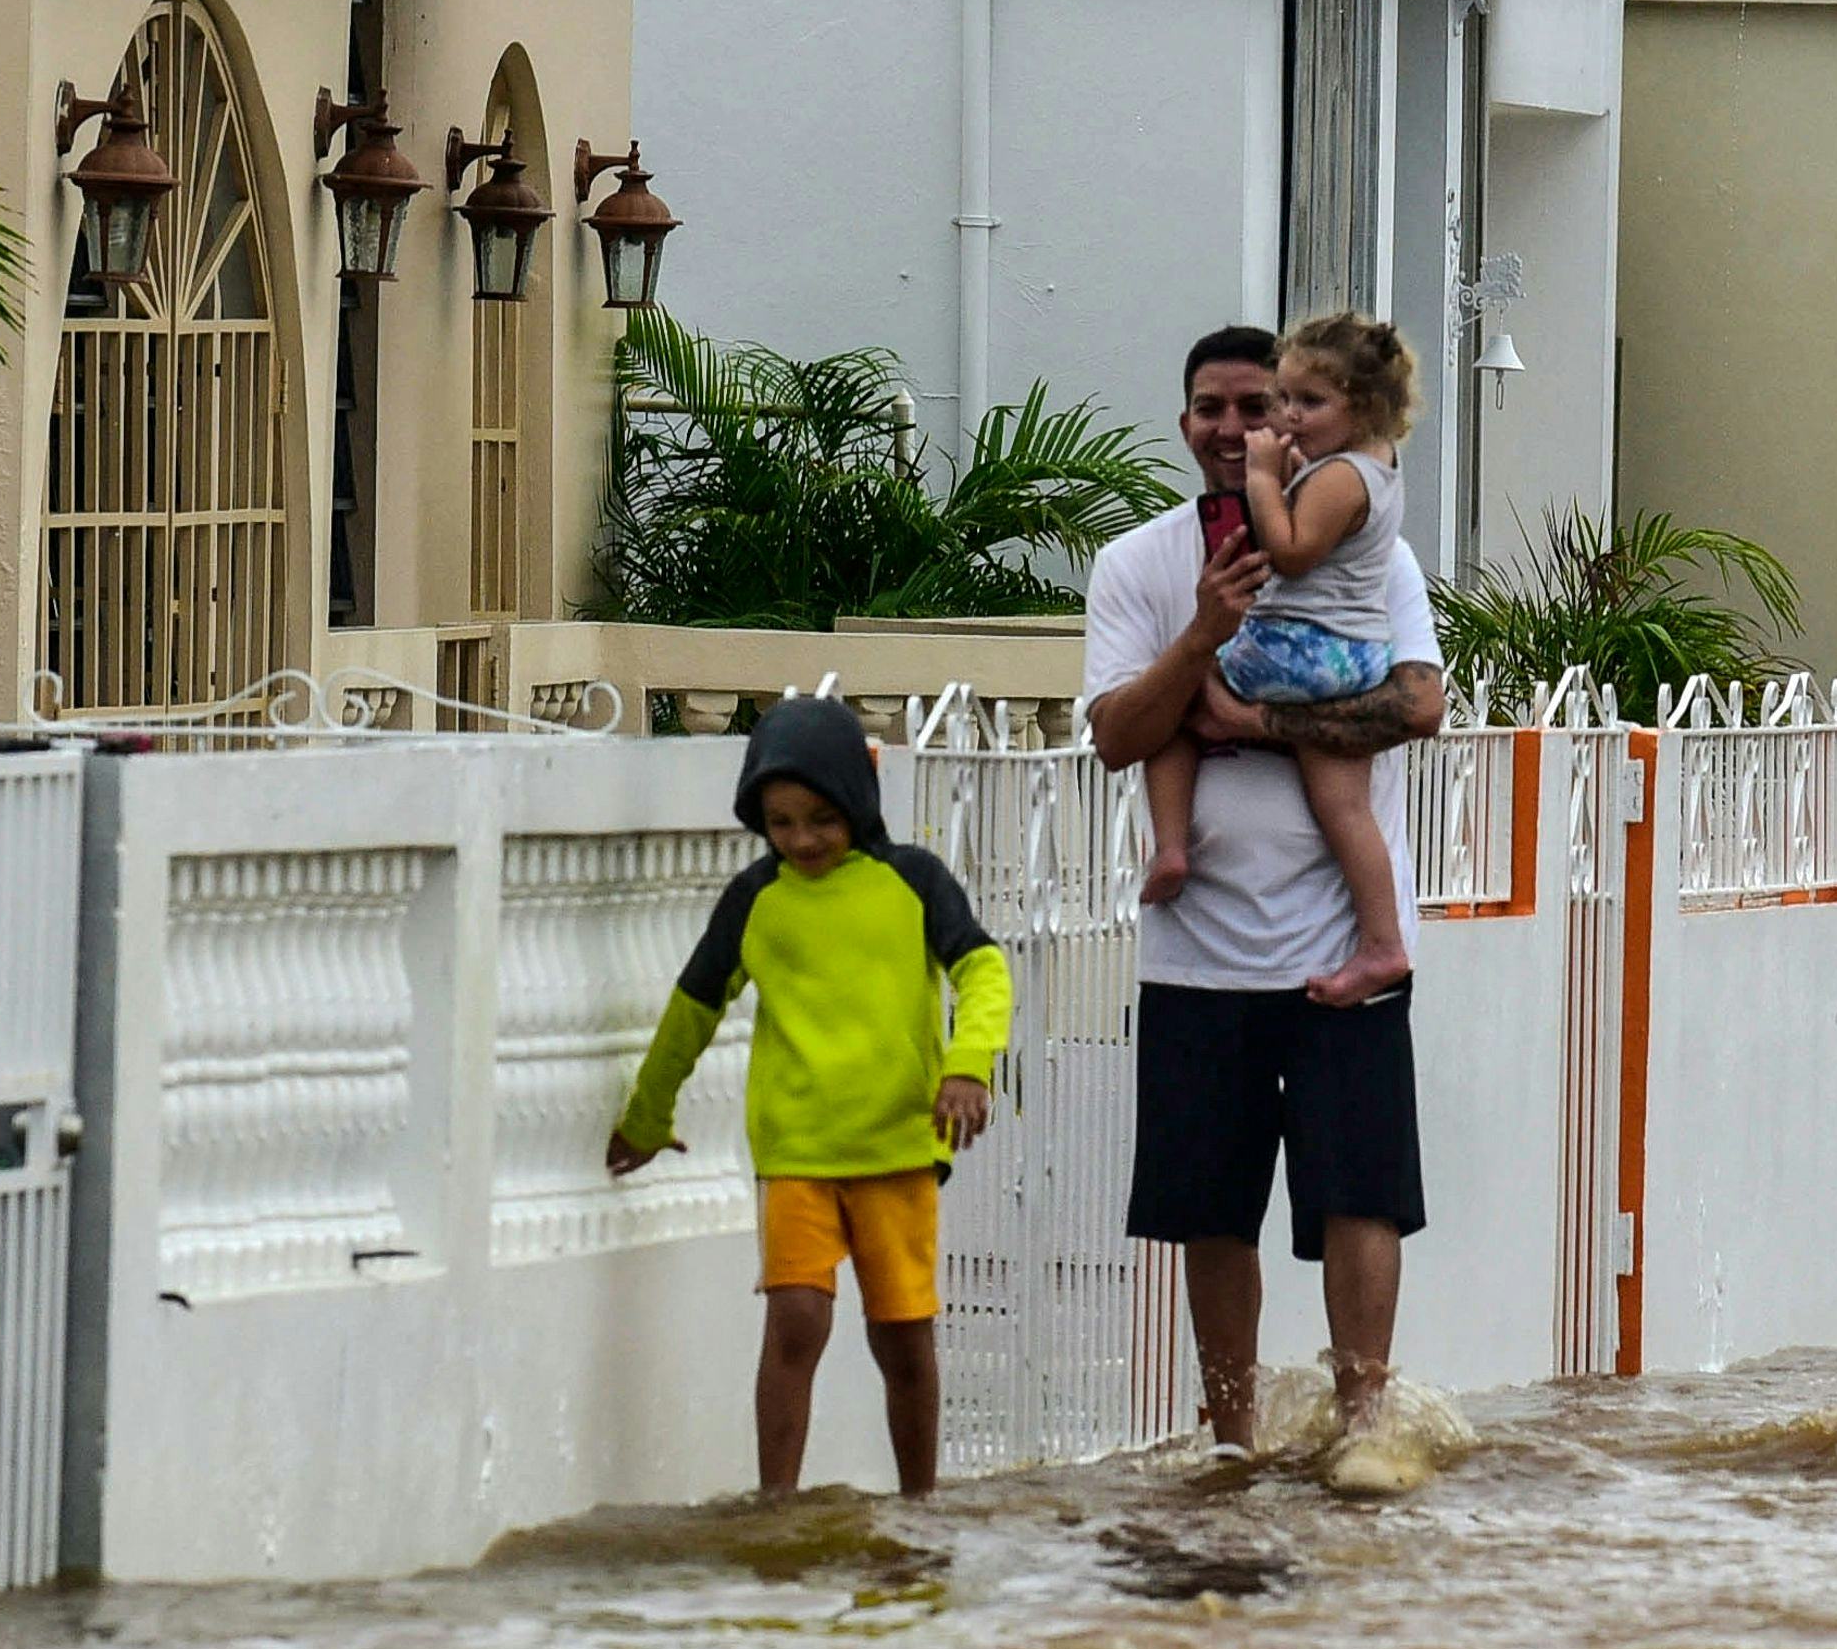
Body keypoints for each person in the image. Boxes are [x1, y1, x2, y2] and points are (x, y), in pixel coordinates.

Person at [1084, 325, 1442, 1468]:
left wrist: (1259, 722)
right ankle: (1232, 1433)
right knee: (1208, 1208)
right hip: (1194, 950)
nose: (1237, 428)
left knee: (1360, 1193)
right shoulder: (1136, 564)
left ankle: (1364, 1427)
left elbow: (1417, 706)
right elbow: (1115, 736)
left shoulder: (1364, 546)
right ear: (1185, 421)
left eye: (1260, 406)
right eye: (1214, 408)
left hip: (1334, 941)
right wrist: (1202, 632)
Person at [607, 698, 1012, 1499]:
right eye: (781, 821)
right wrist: (646, 1117)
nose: (802, 839)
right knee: (796, 1316)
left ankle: (919, 1500)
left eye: (821, 819)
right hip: (796, 1150)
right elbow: (691, 1012)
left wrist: (968, 1064)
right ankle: (776, 1501)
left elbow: (984, 969)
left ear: (860, 800)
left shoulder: (913, 880)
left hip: (898, 1147)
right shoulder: (757, 899)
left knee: (903, 1338)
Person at [1137, 312, 1419, 1013]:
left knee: (1173, 694)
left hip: (1296, 652)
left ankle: (1171, 844)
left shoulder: (1342, 479)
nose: (1288, 418)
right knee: (1345, 808)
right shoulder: (1371, 468)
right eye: (1286, 400)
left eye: (1306, 403)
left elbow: (1290, 549)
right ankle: (1381, 940)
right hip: (1346, 656)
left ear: (1364, 407)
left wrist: (1264, 477)